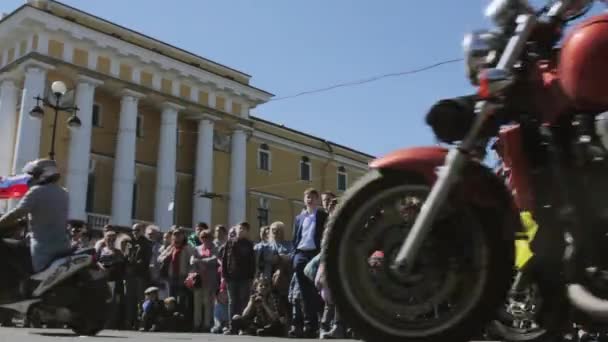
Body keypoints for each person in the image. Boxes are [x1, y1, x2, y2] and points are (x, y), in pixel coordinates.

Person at [0, 159, 71, 274]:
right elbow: (47, 213)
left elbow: (17, 212)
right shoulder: (64, 192)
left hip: (42, 247)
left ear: (42, 175)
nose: (31, 178)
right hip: (63, 245)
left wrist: (1, 222)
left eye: (34, 175)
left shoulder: (36, 191)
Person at [290, 188, 328, 338]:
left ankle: (318, 324)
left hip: (315, 254)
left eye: (312, 197)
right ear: (304, 199)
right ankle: (309, 325)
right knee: (304, 293)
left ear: (317, 199)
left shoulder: (322, 216)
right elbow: (295, 237)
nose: (310, 199)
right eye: (307, 197)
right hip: (301, 254)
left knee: (316, 290)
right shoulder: (299, 217)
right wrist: (294, 255)